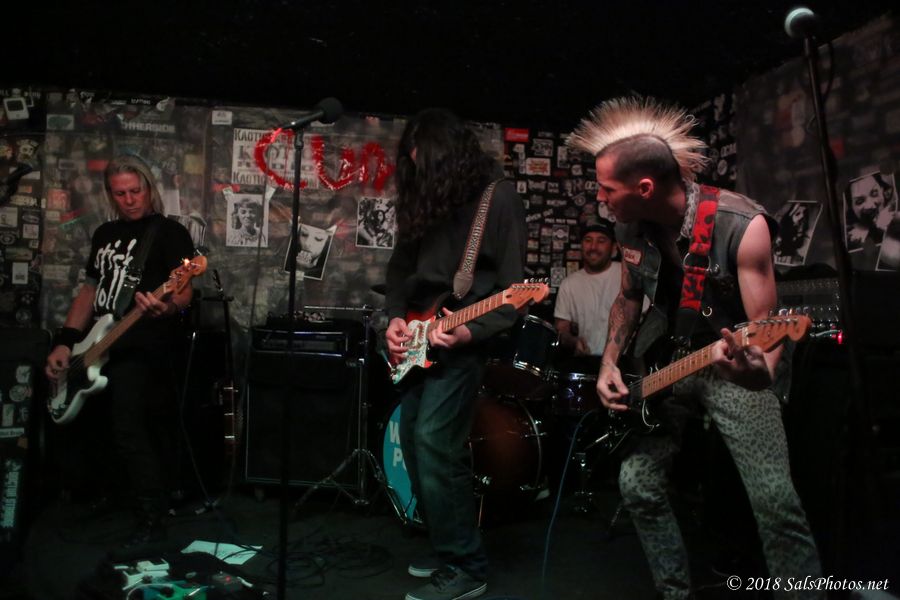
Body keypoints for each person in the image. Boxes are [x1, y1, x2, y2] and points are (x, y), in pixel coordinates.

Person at [568, 97, 822, 599]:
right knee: (637, 483)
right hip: (666, 366)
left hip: (733, 362)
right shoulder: (627, 226)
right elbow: (629, 297)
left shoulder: (741, 225)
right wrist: (609, 363)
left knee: (775, 501)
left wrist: (760, 373)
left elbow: (766, 327)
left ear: (644, 188)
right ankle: (674, 592)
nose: (600, 198)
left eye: (607, 189)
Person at [385, 108, 526, 600]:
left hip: (462, 343)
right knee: (412, 437)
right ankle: (446, 544)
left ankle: (467, 565)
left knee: (436, 442)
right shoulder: (425, 200)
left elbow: (512, 293)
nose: (417, 172)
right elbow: (399, 270)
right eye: (412, 164)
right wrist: (395, 318)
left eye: (426, 163)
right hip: (417, 337)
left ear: (450, 158)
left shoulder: (497, 198)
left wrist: (469, 332)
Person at [45, 154, 195, 554]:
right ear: (110, 195)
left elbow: (184, 292)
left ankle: (152, 517)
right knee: (98, 429)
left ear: (149, 189)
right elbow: (89, 291)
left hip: (143, 346)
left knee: (130, 429)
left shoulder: (169, 233)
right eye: (120, 193)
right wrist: (65, 341)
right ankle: (109, 497)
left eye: (135, 191)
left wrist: (167, 307)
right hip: (97, 344)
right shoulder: (104, 234)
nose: (129, 200)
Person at [554, 216, 620, 360]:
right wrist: (574, 342)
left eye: (601, 241)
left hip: (623, 363)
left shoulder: (626, 276)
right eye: (588, 240)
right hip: (585, 362)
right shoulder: (569, 284)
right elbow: (562, 331)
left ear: (614, 248)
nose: (593, 247)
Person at [846, 172, 894, 251]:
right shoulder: (850, 240)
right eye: (859, 201)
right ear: (851, 207)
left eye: (874, 194)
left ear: (883, 191)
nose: (870, 205)